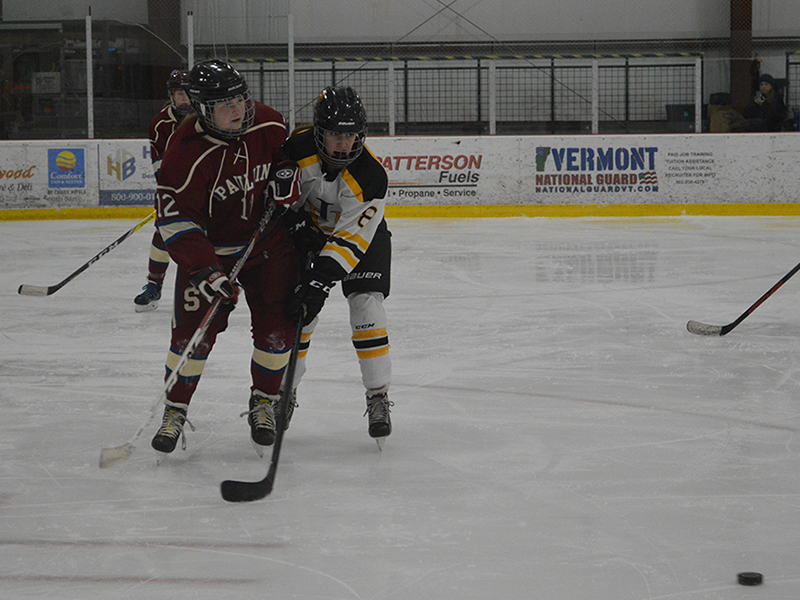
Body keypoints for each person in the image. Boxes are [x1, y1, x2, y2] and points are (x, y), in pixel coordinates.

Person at [150, 59, 302, 456]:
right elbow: (176, 222)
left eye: (240, 98)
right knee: (190, 340)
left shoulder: (268, 123)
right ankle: (175, 410)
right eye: (226, 104)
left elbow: (285, 158)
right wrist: (205, 271)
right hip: (212, 258)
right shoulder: (182, 155)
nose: (239, 110)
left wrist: (286, 175)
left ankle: (264, 403)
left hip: (268, 248)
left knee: (277, 333)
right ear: (202, 109)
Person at [280, 86, 394, 444]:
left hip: (361, 238)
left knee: (365, 305)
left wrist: (320, 281)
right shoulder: (295, 150)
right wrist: (295, 226)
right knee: (300, 313)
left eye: (350, 135)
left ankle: (378, 395)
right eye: (335, 134)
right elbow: (278, 202)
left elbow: (349, 241)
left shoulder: (371, 178)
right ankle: (284, 393)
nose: (343, 144)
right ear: (319, 132)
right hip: (309, 235)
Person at [134, 69, 193, 312]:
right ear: (172, 95)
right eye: (179, 93)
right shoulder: (160, 124)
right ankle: (153, 286)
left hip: (208, 189)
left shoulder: (207, 117)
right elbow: (158, 162)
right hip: (174, 190)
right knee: (163, 234)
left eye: (188, 93)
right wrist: (172, 189)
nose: (184, 98)